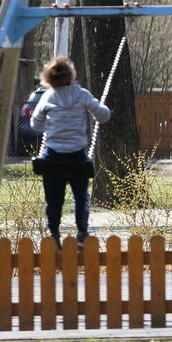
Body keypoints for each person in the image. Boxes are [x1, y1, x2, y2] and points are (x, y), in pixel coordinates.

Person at [30, 56, 112, 249]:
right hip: (77, 156)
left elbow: (35, 124)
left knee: (53, 199)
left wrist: (46, 125)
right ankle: (82, 234)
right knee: (81, 197)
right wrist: (102, 108)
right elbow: (103, 115)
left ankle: (54, 234)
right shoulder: (82, 94)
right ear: (71, 75)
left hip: (53, 156)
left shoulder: (48, 96)